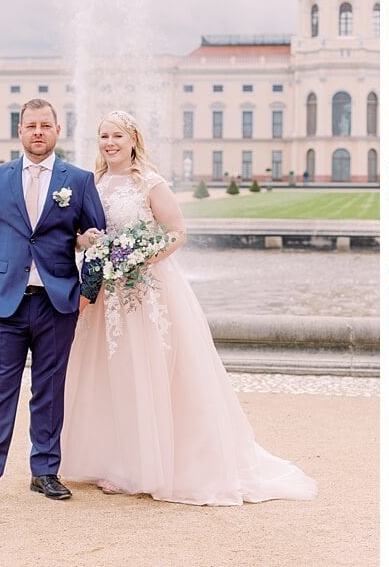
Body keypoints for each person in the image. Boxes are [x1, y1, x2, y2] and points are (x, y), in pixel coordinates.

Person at [60, 110, 317, 505]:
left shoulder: (150, 182)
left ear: (133, 140)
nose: (109, 143)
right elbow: (81, 236)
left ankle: (151, 464)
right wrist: (89, 241)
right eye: (103, 136)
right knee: (112, 373)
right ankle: (117, 458)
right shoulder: (90, 183)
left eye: (116, 136)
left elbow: (177, 232)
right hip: (106, 295)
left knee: (150, 370)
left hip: (146, 292)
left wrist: (138, 258)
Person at [0, 98, 106, 507]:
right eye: (30, 126)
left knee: (49, 390)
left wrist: (86, 292)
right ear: (20, 131)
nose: (38, 132)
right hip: (4, 302)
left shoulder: (77, 180)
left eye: (45, 125)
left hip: (56, 303)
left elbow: (99, 240)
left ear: (58, 130)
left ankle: (44, 472)